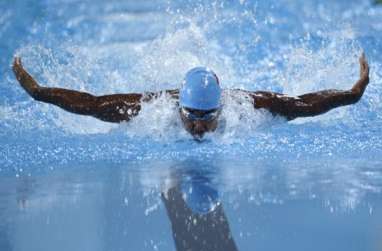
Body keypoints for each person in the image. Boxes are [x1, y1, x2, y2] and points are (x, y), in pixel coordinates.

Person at [12, 54, 370, 139]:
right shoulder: (149, 108)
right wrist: (39, 92)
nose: (198, 126)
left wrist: (352, 94)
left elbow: (305, 105)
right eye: (192, 117)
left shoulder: (250, 106)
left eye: (207, 117)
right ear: (180, 107)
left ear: (220, 108)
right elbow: (91, 105)